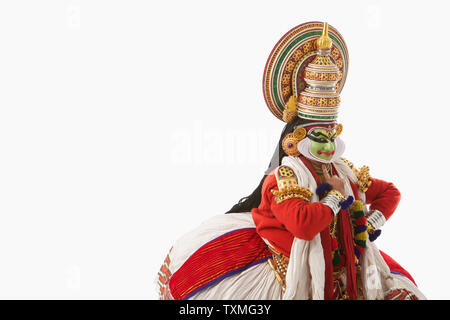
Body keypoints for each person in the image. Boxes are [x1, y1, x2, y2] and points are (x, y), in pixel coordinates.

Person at [156, 21, 426, 300]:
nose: (329, 145)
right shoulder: (284, 178)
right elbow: (303, 225)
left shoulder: (344, 173)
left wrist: (364, 227)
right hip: (293, 263)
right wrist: (334, 197)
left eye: (333, 135)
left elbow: (390, 194)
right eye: (320, 136)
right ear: (296, 138)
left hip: (344, 264)